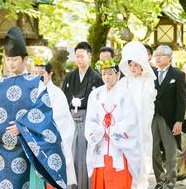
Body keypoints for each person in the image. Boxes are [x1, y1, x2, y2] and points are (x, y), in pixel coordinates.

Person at [0, 27, 67, 189]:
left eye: (15, 59)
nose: (10, 63)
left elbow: (44, 119)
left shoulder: (36, 83)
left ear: (25, 59)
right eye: (8, 59)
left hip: (25, 155)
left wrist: (23, 127)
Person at [85, 59, 142, 189]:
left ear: (118, 74)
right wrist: (101, 131)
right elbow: (90, 120)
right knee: (101, 178)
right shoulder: (95, 94)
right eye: (104, 74)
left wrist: (112, 131)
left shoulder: (127, 94)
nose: (106, 77)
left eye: (110, 74)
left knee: (119, 179)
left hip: (119, 146)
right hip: (101, 143)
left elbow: (131, 120)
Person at [62, 41, 103, 189]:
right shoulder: (69, 77)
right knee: (71, 154)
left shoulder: (97, 78)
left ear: (89, 56)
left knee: (86, 155)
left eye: (82, 56)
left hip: (88, 120)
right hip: (71, 120)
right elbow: (64, 101)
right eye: (77, 56)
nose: (79, 59)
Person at [31, 58, 77, 188]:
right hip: (33, 141)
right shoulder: (31, 92)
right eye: (34, 73)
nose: (37, 77)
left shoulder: (57, 94)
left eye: (41, 74)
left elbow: (60, 119)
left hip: (51, 142)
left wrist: (40, 128)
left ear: (50, 74)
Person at [118, 41, 157, 189]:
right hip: (125, 125)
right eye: (131, 65)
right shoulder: (124, 81)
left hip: (140, 124)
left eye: (136, 64)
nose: (133, 68)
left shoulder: (148, 82)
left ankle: (140, 184)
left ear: (142, 65)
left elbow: (147, 103)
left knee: (140, 155)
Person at [152, 45, 186, 189]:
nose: (158, 57)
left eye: (161, 55)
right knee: (153, 151)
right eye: (156, 55)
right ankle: (160, 180)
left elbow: (182, 99)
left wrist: (179, 121)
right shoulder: (151, 74)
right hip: (153, 116)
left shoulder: (178, 74)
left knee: (170, 151)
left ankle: (171, 181)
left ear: (169, 58)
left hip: (170, 118)